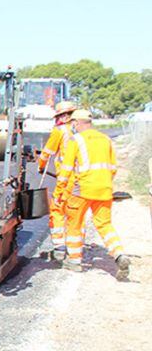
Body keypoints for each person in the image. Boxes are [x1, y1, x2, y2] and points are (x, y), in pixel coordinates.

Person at [55, 110, 131, 280]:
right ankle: (119, 254)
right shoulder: (106, 140)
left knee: (74, 223)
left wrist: (59, 192)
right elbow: (113, 168)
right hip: (104, 188)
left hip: (82, 188)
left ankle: (74, 261)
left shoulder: (76, 140)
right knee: (105, 225)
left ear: (76, 123)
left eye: (72, 123)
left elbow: (66, 169)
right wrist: (105, 184)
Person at [37, 100, 79, 259]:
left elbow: (47, 152)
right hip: (84, 178)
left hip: (66, 178)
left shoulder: (60, 131)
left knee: (57, 209)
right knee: (76, 212)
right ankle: (75, 250)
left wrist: (41, 165)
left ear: (65, 116)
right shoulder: (81, 131)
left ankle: (60, 247)